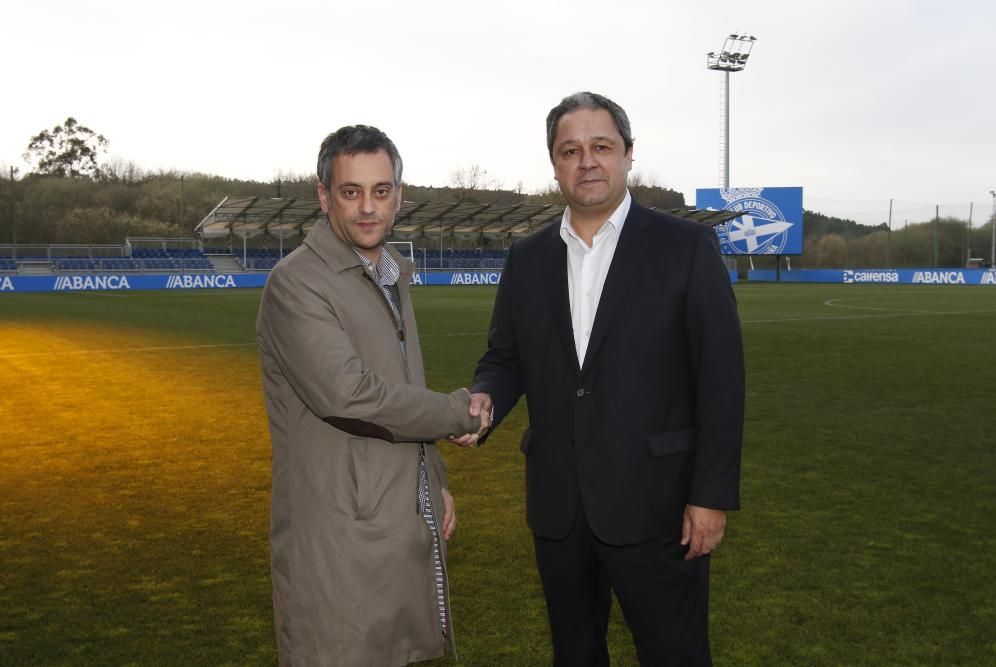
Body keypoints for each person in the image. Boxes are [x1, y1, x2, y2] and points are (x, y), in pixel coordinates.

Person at [458, 92, 745, 665]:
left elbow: (721, 378)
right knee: (576, 654)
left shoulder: (684, 246)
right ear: (555, 164)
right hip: (560, 508)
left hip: (660, 508)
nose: (586, 161)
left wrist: (710, 496)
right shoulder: (527, 258)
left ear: (628, 155)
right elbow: (506, 357)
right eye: (571, 150)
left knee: (675, 655)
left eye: (601, 147)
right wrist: (484, 396)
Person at [256, 125, 484, 666]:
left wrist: (437, 480)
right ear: (323, 195)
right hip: (339, 532)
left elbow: (402, 389)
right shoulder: (297, 282)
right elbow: (350, 397)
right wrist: (457, 412)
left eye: (381, 191)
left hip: (397, 516)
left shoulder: (388, 275)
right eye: (350, 191)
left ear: (399, 196)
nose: (367, 208)